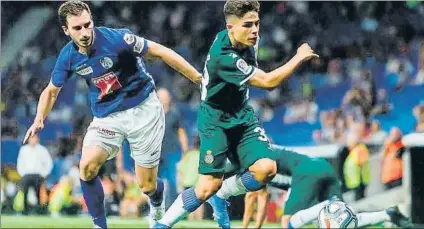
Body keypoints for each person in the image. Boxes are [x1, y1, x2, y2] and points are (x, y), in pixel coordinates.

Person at [22, 1, 201, 228]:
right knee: (86, 167)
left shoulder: (117, 39)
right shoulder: (68, 56)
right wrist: (39, 118)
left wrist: (197, 78)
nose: (85, 32)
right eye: (77, 28)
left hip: (143, 110)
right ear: (66, 30)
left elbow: (161, 51)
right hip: (107, 116)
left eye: (88, 25)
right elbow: (51, 91)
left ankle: (157, 200)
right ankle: (99, 224)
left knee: (146, 185)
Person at [154, 0, 318, 228]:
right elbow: (268, 82)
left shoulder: (246, 40)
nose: (254, 30)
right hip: (215, 121)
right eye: (248, 25)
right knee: (206, 187)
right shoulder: (224, 57)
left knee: (266, 169)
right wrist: (299, 56)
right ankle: (162, 224)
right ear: (230, 28)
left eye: (257, 24)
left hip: (242, 116)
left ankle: (223, 194)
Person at [230, 146, 414, 228]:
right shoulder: (263, 151)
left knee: (288, 223)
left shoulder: (255, 161)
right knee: (342, 219)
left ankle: (326, 206)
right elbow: (259, 198)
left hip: (305, 172)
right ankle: (386, 215)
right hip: (323, 167)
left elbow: (257, 198)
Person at [157, 88, 189, 208]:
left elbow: (181, 132)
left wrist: (185, 150)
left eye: (165, 97)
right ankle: (156, 208)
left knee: (172, 181)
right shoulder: (153, 114)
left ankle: (174, 209)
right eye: (161, 97)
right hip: (156, 153)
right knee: (155, 181)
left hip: (172, 152)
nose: (164, 99)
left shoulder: (175, 114)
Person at [17, 134, 53, 215]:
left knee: (38, 193)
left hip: (38, 175)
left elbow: (48, 163)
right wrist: (22, 173)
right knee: (25, 192)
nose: (33, 140)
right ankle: (25, 210)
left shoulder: (42, 150)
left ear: (37, 139)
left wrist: (44, 173)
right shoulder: (24, 150)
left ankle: (38, 210)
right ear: (28, 140)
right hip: (26, 174)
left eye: (34, 138)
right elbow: (20, 163)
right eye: (31, 138)